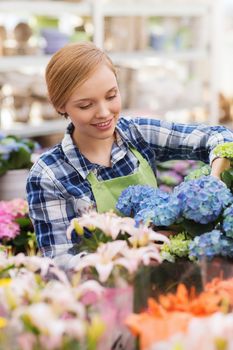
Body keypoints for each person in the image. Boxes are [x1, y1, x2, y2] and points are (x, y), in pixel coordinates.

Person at [27, 42, 233, 268]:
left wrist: (214, 184)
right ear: (61, 105)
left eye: (111, 95)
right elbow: (59, 261)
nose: (104, 113)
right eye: (86, 105)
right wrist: (131, 251)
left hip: (163, 276)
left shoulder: (137, 133)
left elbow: (219, 137)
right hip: (107, 291)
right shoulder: (49, 174)